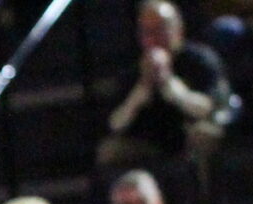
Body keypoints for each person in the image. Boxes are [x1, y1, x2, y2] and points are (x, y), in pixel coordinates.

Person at [97, 0, 229, 173]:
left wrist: (172, 88)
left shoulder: (199, 60)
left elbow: (211, 108)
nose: (154, 38)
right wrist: (141, 91)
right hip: (149, 138)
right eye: (147, 32)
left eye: (160, 29)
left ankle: (202, 197)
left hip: (188, 132)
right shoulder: (132, 69)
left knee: (205, 136)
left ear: (178, 30)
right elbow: (115, 124)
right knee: (111, 151)